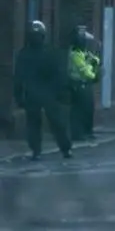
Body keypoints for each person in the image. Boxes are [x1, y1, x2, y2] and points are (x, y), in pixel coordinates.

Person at [13, 20, 72, 160]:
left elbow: (19, 77)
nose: (36, 38)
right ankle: (63, 149)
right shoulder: (49, 52)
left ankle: (40, 150)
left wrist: (19, 96)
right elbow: (59, 74)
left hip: (38, 93)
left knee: (42, 123)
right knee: (53, 122)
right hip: (45, 93)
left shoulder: (26, 53)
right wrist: (61, 92)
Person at [67, 26, 98, 142]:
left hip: (85, 84)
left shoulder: (82, 53)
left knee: (88, 108)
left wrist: (93, 60)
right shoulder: (75, 54)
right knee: (78, 110)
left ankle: (87, 131)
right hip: (78, 84)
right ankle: (77, 133)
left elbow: (94, 60)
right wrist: (93, 72)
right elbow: (84, 70)